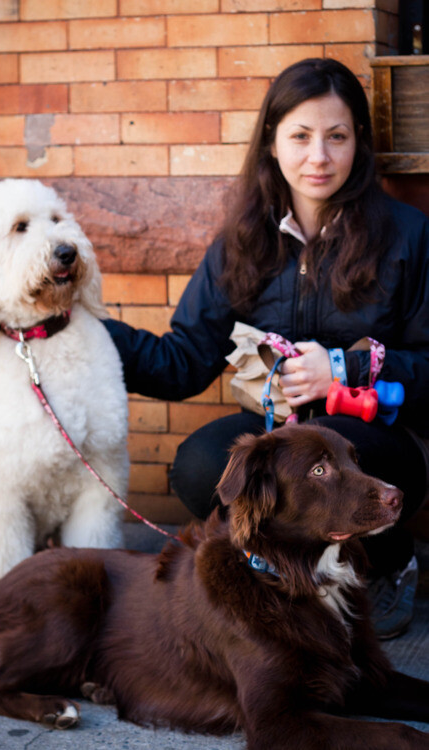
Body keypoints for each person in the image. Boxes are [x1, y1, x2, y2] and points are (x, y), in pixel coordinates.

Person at [103, 58, 429, 640]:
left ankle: (386, 560)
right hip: (283, 437)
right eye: (300, 137)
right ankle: (295, 575)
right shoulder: (241, 244)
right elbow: (182, 363)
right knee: (203, 466)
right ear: (273, 144)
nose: (319, 157)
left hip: (375, 437)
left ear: (360, 143)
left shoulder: (407, 235)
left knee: (359, 462)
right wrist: (84, 330)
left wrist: (343, 370)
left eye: (337, 137)